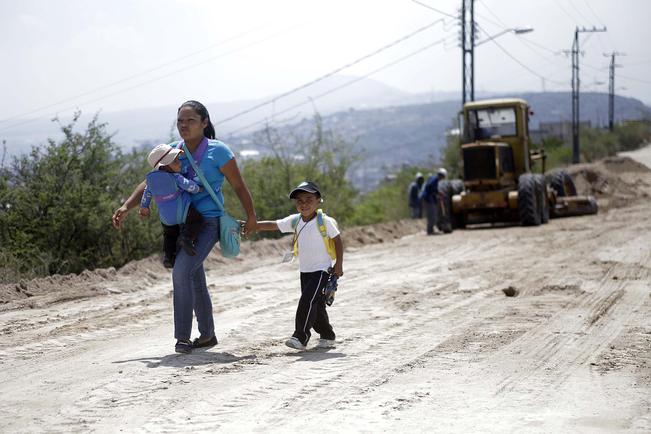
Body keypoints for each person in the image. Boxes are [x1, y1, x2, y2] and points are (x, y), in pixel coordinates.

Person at [112, 100, 257, 354]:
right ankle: (207, 335)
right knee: (193, 276)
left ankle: (182, 338)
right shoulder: (174, 152)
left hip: (208, 222)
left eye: (190, 120)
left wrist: (252, 216)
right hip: (181, 226)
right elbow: (150, 183)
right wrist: (126, 206)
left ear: (204, 123)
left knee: (180, 273)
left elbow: (239, 186)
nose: (184, 125)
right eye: (180, 121)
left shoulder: (218, 152)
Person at [256, 181, 343, 351]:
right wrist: (252, 225)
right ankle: (327, 334)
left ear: (318, 200)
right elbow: (274, 225)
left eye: (309, 199)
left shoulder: (324, 221)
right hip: (305, 270)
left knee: (306, 301)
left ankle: (300, 336)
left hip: (322, 270)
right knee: (315, 303)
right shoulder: (296, 221)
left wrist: (338, 265)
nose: (304, 204)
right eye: (299, 201)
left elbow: (338, 241)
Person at [139, 143, 204, 268]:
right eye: (175, 161)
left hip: (166, 218)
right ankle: (187, 237)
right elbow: (189, 185)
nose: (180, 163)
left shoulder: (150, 181)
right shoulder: (176, 178)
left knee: (169, 235)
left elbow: (146, 195)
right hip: (182, 212)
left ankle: (168, 257)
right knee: (197, 219)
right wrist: (198, 189)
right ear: (165, 165)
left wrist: (144, 207)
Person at [420, 168, 447, 235]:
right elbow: (430, 187)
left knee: (433, 215)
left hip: (430, 199)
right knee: (431, 216)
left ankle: (431, 229)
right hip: (428, 199)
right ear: (441, 175)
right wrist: (436, 193)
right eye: (443, 177)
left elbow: (433, 189)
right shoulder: (434, 179)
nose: (442, 178)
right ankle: (430, 231)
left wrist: (439, 193)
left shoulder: (434, 179)